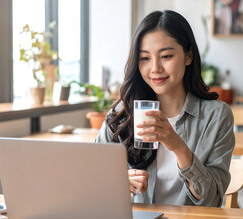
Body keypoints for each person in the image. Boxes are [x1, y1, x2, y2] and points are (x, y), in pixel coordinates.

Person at [95, 10, 235, 207]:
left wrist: (177, 146)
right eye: (145, 58)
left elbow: (210, 200)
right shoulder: (122, 114)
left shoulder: (217, 116)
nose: (155, 68)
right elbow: (90, 175)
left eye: (166, 56)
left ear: (188, 56)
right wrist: (117, 180)